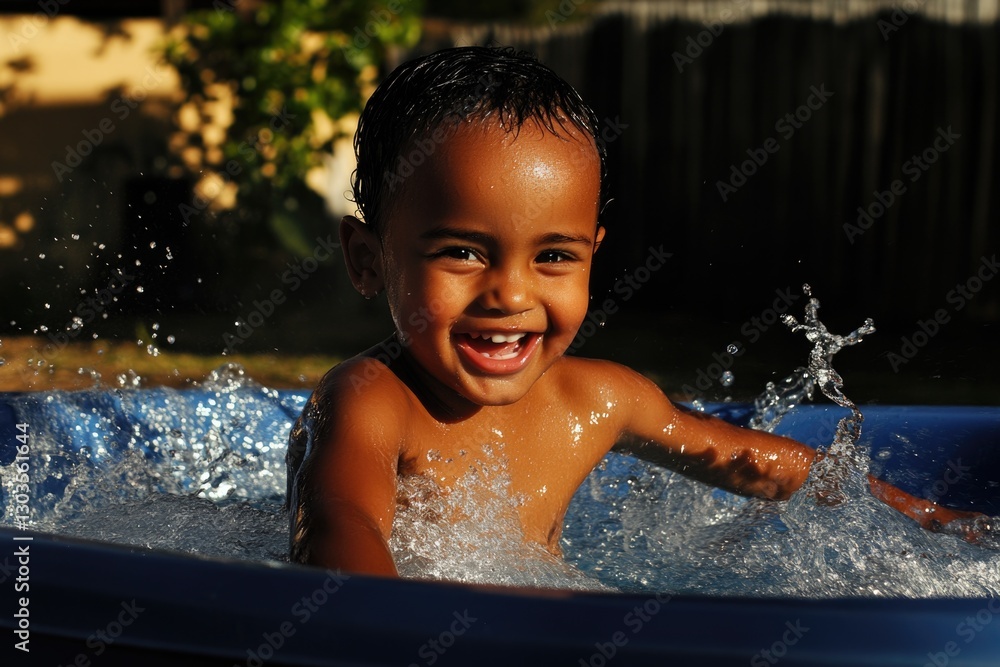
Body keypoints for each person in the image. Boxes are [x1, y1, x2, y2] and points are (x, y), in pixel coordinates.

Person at [285, 46, 983, 577]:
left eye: (553, 257)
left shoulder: (598, 399)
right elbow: (337, 526)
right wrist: (385, 628)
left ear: (594, 253)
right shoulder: (371, 402)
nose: (511, 294)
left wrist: (940, 521)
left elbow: (755, 461)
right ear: (368, 258)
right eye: (463, 252)